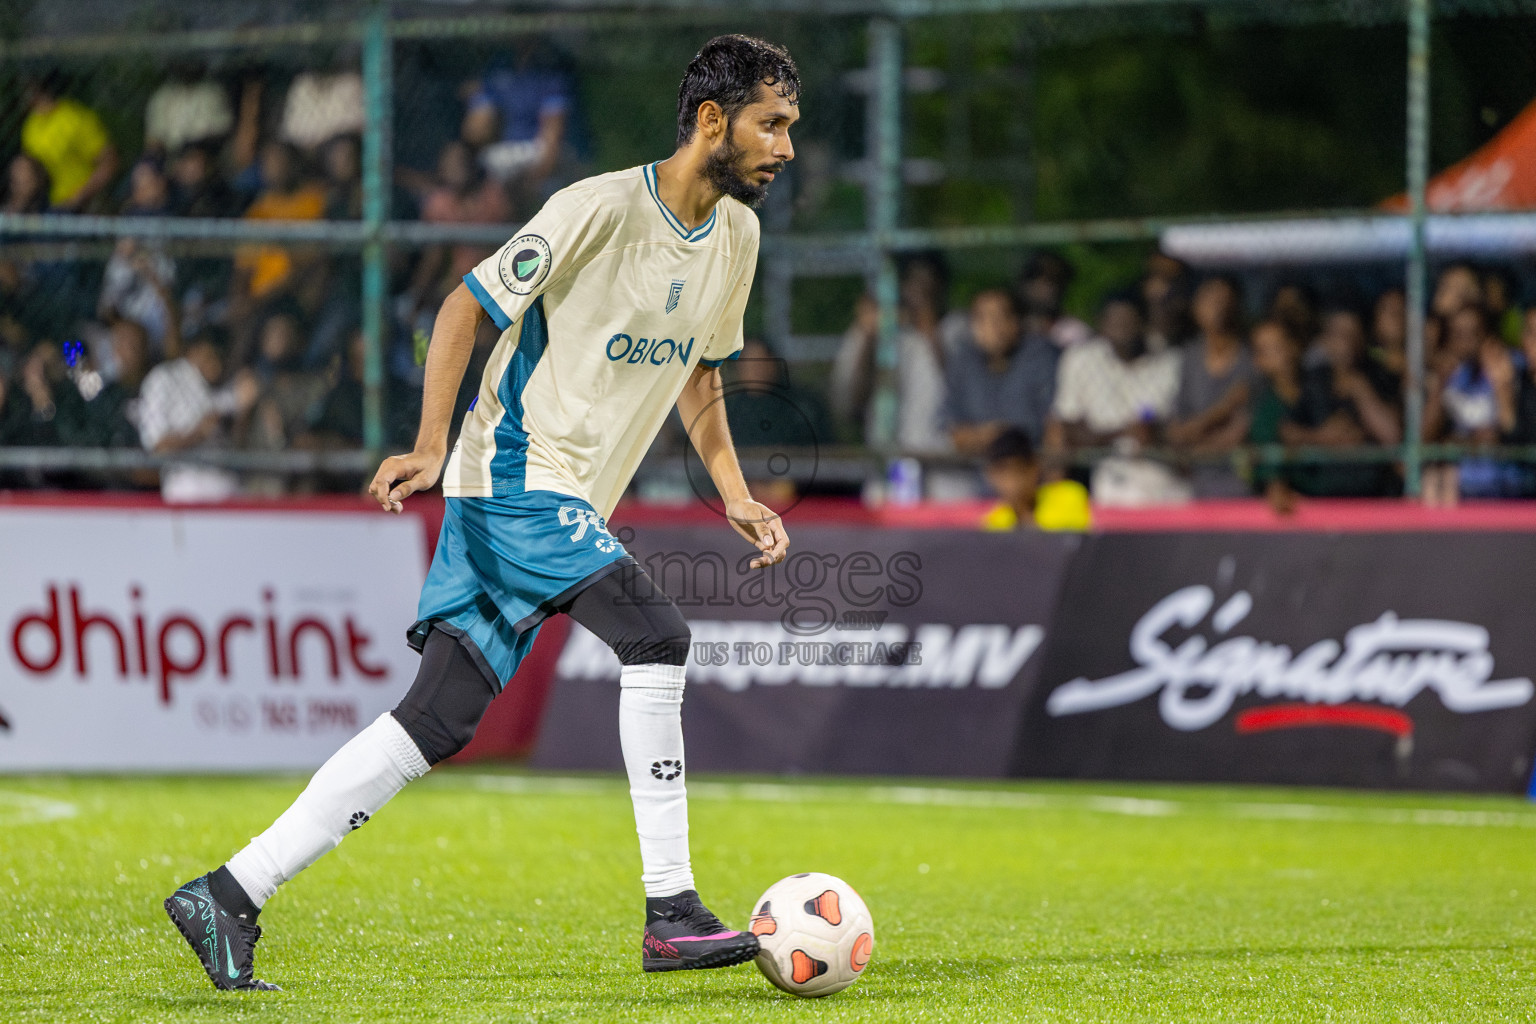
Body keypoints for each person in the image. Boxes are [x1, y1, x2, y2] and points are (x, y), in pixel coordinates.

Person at [163, 34, 798, 990]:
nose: (787, 147)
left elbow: (700, 374)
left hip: (557, 499)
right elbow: (465, 308)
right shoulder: (597, 207)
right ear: (714, 121)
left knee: (436, 718)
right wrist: (429, 445)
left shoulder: (738, 238)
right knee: (656, 638)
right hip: (512, 477)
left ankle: (229, 892)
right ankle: (672, 911)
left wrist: (737, 493)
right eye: (773, 123)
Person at [1044, 291, 1183, 506]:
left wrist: (1155, 433)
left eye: (1129, 320)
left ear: (1144, 322)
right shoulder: (1080, 359)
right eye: (1115, 321)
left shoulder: (1171, 362)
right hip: (1103, 472)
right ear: (1101, 325)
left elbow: (1181, 428)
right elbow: (1068, 426)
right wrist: (1122, 432)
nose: (1122, 328)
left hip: (1161, 472)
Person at [830, 253, 952, 452]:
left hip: (943, 457)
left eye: (927, 284)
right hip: (885, 455)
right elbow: (849, 406)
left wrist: (925, 320)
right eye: (913, 282)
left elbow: (955, 390)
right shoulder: (872, 333)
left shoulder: (954, 328)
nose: (918, 291)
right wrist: (872, 335)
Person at [136, 329, 259, 503]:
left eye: (221, 356)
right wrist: (198, 433)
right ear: (194, 351)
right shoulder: (164, 378)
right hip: (185, 482)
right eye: (211, 355)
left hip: (228, 481)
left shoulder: (228, 382)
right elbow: (158, 448)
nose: (217, 363)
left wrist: (245, 412)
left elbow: (239, 442)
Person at [1166, 275, 1255, 497]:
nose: (1218, 309)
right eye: (1210, 300)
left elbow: (1239, 432)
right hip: (1192, 477)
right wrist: (1223, 409)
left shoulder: (1250, 361)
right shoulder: (1188, 358)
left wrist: (1196, 444)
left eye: (1225, 301)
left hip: (1237, 476)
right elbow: (1178, 432)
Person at [944, 288, 1059, 453]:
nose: (992, 327)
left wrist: (993, 437)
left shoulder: (1040, 354)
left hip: (1031, 467)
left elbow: (1051, 427)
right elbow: (953, 431)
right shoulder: (963, 358)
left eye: (999, 317)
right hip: (974, 471)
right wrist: (987, 436)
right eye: (982, 318)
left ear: (1016, 321)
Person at [20, 75, 119, 211]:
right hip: (45, 204)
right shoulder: (31, 124)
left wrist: (79, 196)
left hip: (83, 203)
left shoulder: (75, 118)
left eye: (32, 88)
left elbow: (110, 161)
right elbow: (28, 171)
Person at [979, 427, 1091, 532]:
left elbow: (1067, 546)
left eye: (1019, 471)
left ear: (1034, 467)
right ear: (991, 476)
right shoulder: (994, 522)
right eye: (1002, 474)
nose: (1012, 482)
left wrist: (1023, 512)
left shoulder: (1070, 495)